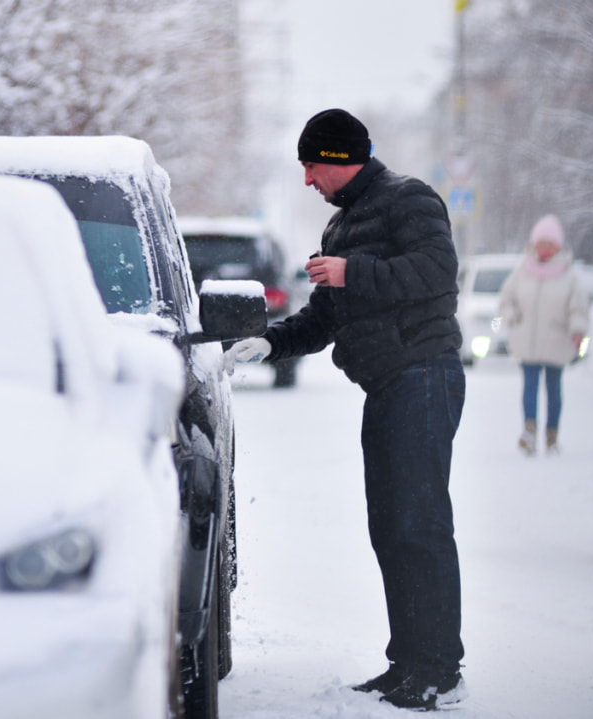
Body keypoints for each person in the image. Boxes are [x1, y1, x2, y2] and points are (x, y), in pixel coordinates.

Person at [223, 108, 467, 711]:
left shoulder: (409, 200)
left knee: (421, 525)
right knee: (390, 528)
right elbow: (324, 319)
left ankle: (439, 671)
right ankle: (407, 661)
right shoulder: (340, 230)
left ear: (336, 159)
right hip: (386, 386)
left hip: (424, 376)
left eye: (310, 165)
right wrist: (271, 342)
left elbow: (438, 271)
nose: (307, 179)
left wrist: (354, 272)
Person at [497, 214, 590, 455]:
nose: (544, 249)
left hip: (556, 342)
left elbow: (577, 309)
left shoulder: (569, 276)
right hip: (526, 341)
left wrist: (577, 330)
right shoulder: (522, 271)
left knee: (553, 389)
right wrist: (511, 317)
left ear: (558, 246)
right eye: (541, 243)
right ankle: (529, 431)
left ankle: (551, 434)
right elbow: (506, 299)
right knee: (529, 387)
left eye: (549, 244)